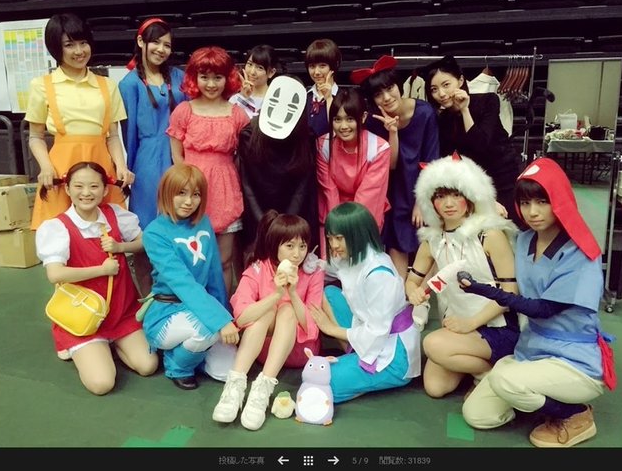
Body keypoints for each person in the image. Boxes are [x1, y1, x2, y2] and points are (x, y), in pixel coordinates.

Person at [458, 157, 613, 448]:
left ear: (560, 200)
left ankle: (575, 413)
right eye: (525, 202)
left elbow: (542, 309)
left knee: (505, 381)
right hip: (531, 349)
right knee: (477, 414)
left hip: (574, 359)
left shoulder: (580, 252)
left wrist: (482, 289)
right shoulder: (523, 240)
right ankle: (532, 397)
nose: (533, 212)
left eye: (542, 201)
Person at [35, 161, 158, 395]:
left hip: (121, 312)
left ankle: (111, 344)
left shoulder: (116, 215)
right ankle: (82, 347)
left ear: (104, 189)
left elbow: (143, 242)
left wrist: (121, 247)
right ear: (67, 189)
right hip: (83, 317)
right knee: (102, 384)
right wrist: (102, 270)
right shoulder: (57, 227)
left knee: (148, 365)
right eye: (78, 186)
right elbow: (55, 274)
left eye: (94, 186)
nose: (86, 193)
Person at [405, 153, 519, 398]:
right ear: (431, 202)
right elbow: (412, 280)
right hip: (457, 326)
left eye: (456, 194)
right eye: (440, 196)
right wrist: (413, 293)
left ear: (470, 195)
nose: (449, 203)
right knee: (435, 387)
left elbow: (511, 293)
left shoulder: (490, 235)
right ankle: (485, 370)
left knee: (432, 344)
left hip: (497, 327)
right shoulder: (432, 240)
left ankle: (489, 377)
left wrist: (471, 323)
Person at [212, 210, 325, 430]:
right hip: (262, 350)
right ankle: (235, 385)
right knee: (266, 310)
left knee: (288, 310)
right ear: (275, 245)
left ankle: (263, 389)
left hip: (300, 352)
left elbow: (312, 328)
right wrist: (276, 294)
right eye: (290, 246)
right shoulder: (257, 269)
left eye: (302, 246)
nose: (297, 254)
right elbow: (241, 317)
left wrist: (292, 293)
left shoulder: (313, 272)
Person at [26, 13, 133, 230]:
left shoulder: (107, 85)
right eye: (69, 45)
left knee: (106, 232)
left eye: (83, 43)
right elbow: (35, 136)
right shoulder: (42, 85)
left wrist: (121, 166)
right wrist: (46, 167)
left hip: (101, 166)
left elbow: (113, 136)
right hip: (60, 170)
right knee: (59, 233)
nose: (79, 51)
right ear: (56, 48)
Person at [307, 202, 422, 404]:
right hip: (369, 333)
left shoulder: (379, 274)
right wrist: (308, 264)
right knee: (331, 294)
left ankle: (364, 377)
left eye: (339, 238)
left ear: (357, 234)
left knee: (321, 381)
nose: (333, 245)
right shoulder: (355, 254)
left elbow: (377, 332)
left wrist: (330, 329)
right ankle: (354, 363)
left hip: (392, 353)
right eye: (330, 238)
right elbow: (334, 269)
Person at [140, 164, 239, 390]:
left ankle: (194, 353)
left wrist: (226, 315)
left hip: (199, 306)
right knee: (207, 331)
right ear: (167, 192)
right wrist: (220, 321)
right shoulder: (154, 233)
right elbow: (182, 282)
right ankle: (177, 365)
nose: (189, 201)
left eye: (195, 194)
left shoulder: (203, 222)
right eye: (181, 193)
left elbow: (214, 274)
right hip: (167, 311)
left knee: (227, 372)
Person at [167, 45, 247, 296]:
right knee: (192, 259)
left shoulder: (237, 114)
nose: (211, 84)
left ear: (228, 78)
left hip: (225, 191)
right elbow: (176, 155)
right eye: (204, 77)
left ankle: (222, 307)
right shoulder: (184, 111)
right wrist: (185, 189)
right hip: (191, 190)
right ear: (194, 78)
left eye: (218, 77)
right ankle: (196, 307)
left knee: (224, 259)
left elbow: (243, 157)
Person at [352, 55, 439, 279]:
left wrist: (422, 201)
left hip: (419, 185)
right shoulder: (374, 120)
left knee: (425, 244)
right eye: (378, 94)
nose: (386, 97)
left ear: (399, 85)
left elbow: (431, 158)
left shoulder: (424, 112)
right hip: (390, 189)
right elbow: (390, 165)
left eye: (390, 88)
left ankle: (420, 297)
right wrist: (393, 132)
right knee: (395, 241)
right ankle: (399, 296)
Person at [423, 55, 521, 224]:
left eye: (446, 85)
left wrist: (465, 110)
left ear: (460, 80)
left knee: (508, 229)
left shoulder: (488, 101)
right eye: (434, 89)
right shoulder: (442, 119)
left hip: (502, 179)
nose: (441, 94)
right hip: (474, 186)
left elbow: (480, 144)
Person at [237, 74, 320, 264]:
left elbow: (303, 189)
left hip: (296, 218)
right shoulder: (249, 136)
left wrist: (286, 227)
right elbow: (247, 187)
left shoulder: (306, 139)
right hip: (258, 219)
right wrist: (266, 225)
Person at [118, 17, 187, 230]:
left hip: (179, 154)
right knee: (148, 216)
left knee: (181, 212)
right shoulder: (129, 83)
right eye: (156, 42)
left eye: (167, 45)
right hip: (147, 159)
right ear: (141, 41)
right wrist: (130, 169)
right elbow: (129, 134)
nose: (161, 49)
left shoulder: (180, 77)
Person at [316, 87, 391, 258]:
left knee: (361, 259)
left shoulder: (378, 148)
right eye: (337, 119)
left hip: (365, 213)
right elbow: (328, 190)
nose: (343, 126)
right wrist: (336, 228)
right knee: (331, 264)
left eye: (350, 119)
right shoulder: (323, 145)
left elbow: (369, 194)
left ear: (363, 117)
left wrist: (349, 231)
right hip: (332, 211)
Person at [229, 44, 279, 119]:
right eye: (250, 64)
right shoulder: (235, 99)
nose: (252, 72)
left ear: (271, 72)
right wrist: (243, 98)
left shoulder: (276, 101)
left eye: (260, 68)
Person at [305, 38, 341, 137]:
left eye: (322, 66)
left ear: (334, 66)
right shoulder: (303, 97)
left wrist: (329, 98)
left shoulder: (345, 98)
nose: (316, 72)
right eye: (312, 66)